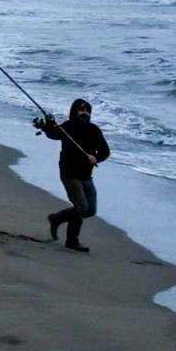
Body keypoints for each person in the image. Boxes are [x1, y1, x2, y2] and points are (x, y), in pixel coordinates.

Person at [40, 98, 110, 252]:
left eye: (87, 111)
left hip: (86, 176)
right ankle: (72, 240)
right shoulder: (67, 127)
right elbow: (52, 134)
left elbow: (105, 151)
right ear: (74, 111)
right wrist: (49, 123)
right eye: (81, 110)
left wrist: (96, 157)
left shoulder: (94, 130)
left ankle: (57, 218)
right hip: (70, 174)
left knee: (90, 210)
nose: (85, 113)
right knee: (81, 208)